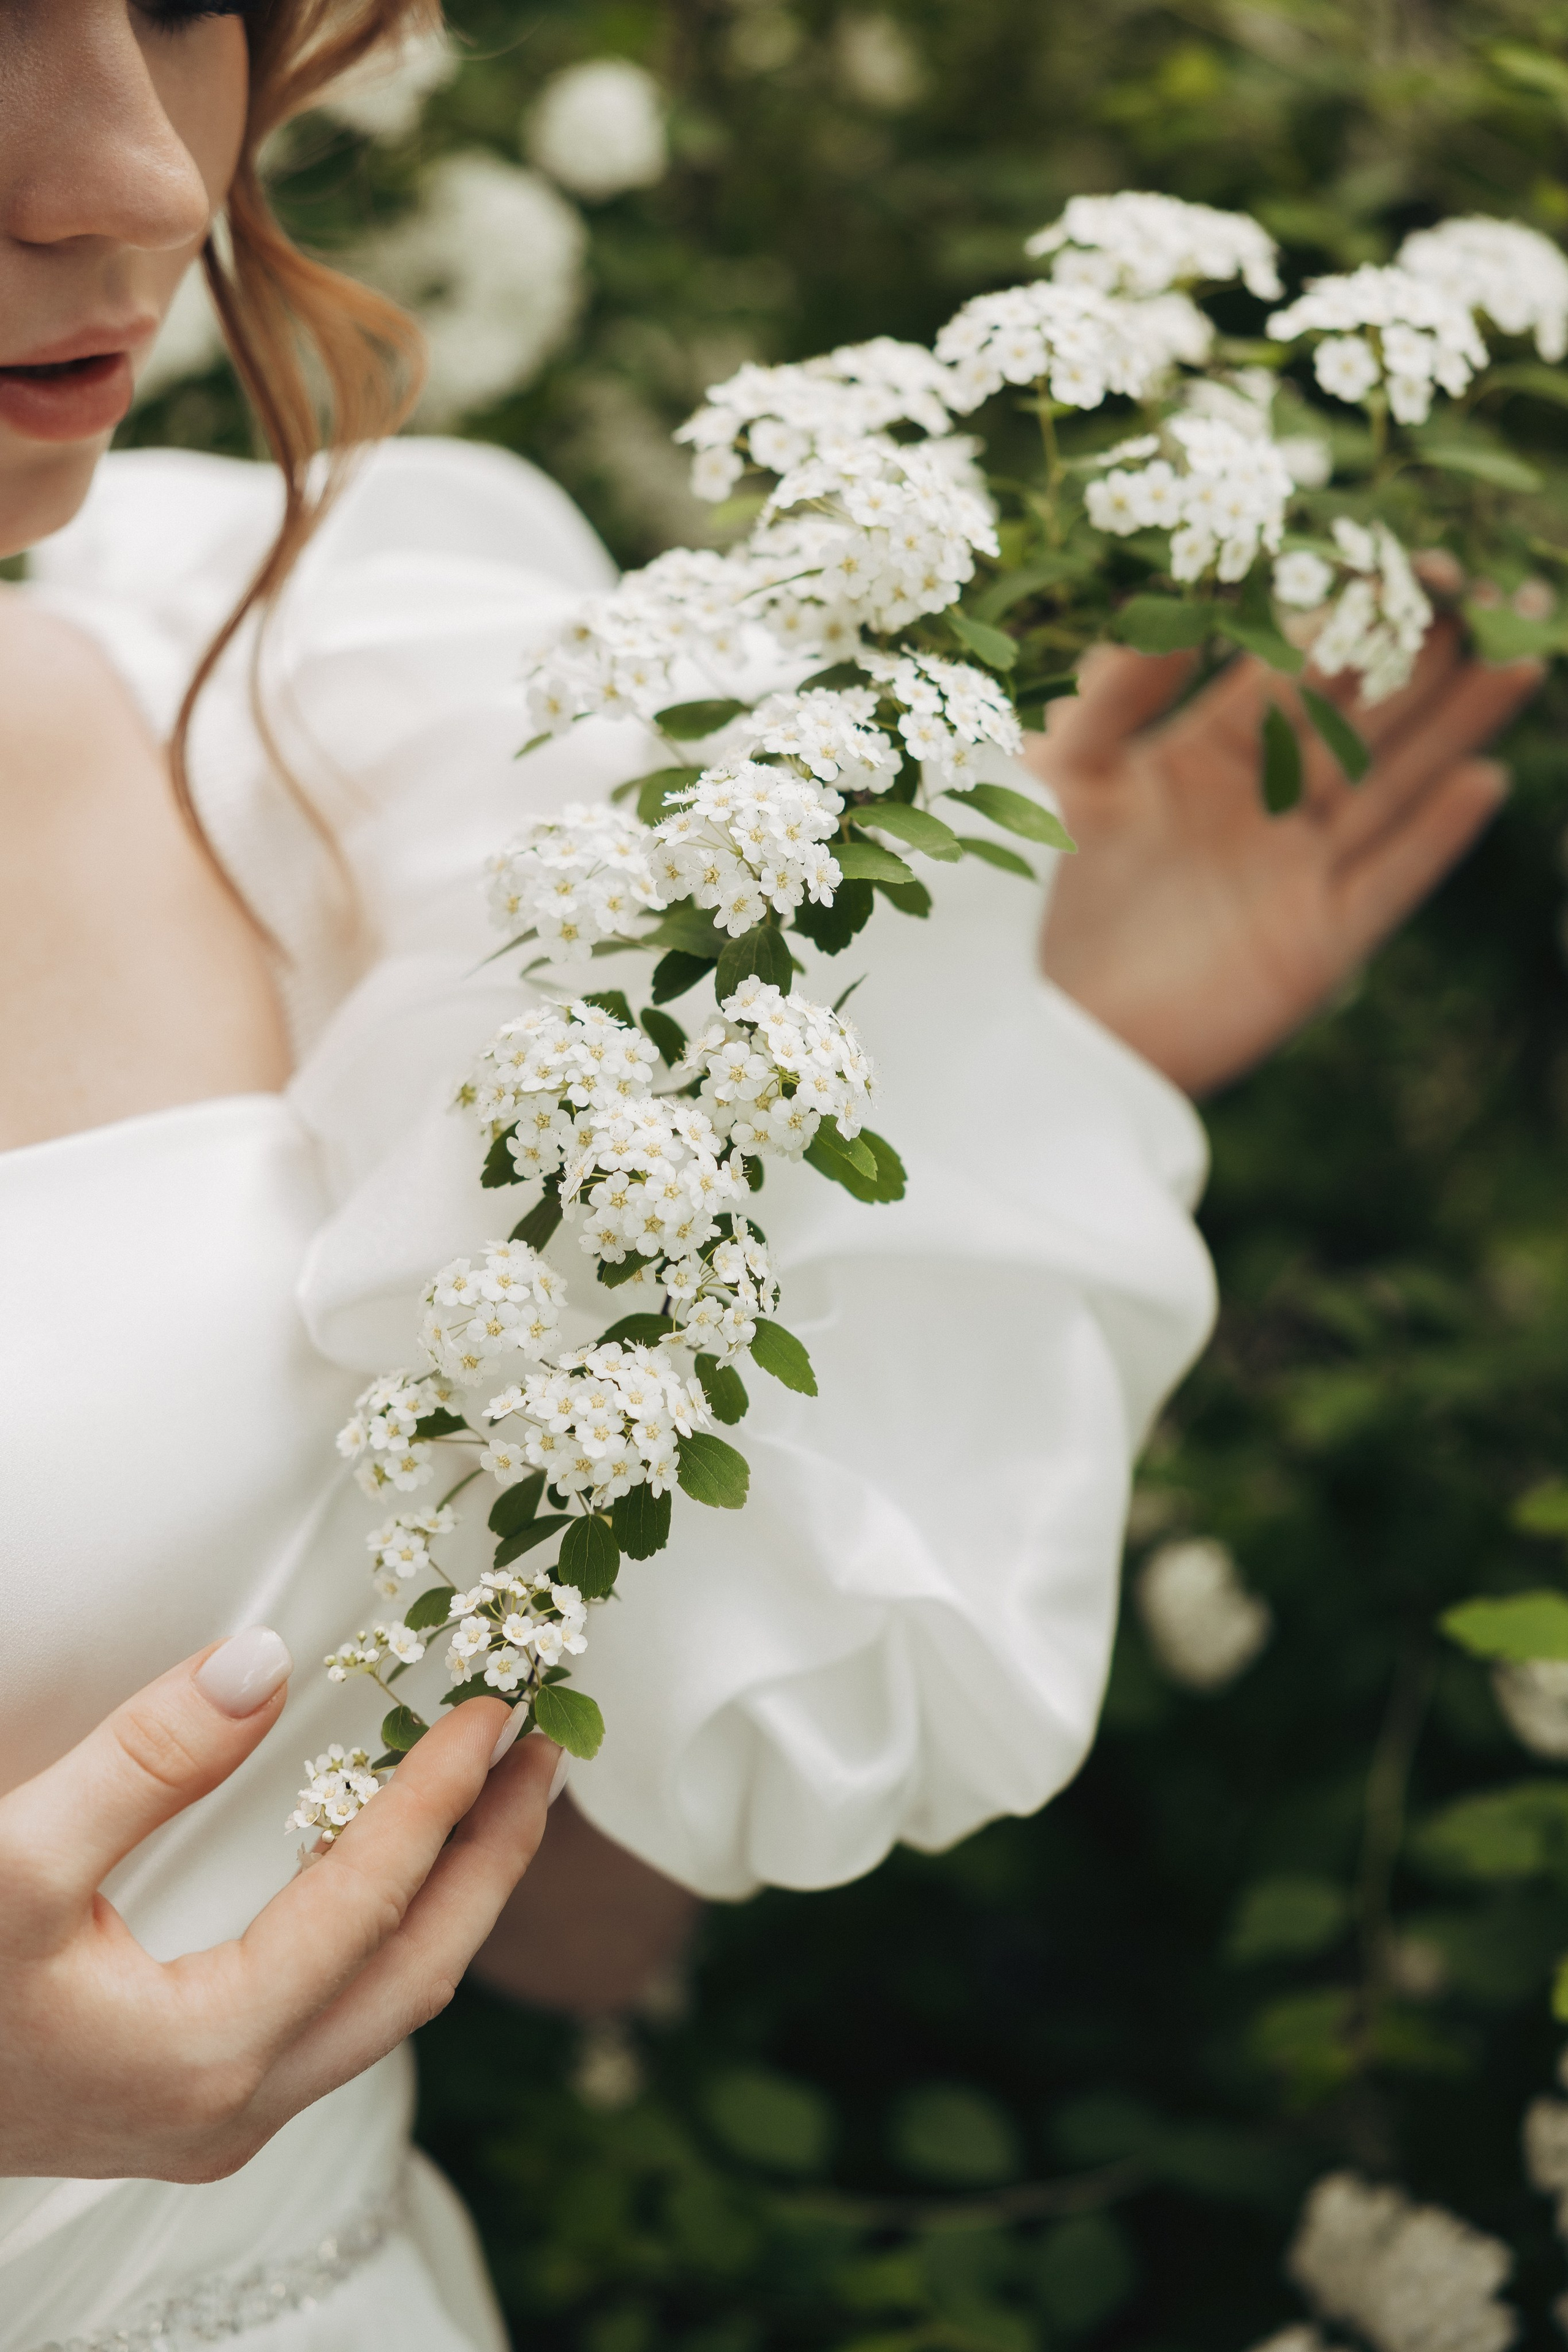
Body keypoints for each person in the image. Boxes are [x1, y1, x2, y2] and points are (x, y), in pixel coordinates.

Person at [0, 0, 1540, 2343]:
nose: (134, 174)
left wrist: (988, 1086)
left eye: (188, 2)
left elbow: (570, 1914)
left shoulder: (317, 714)